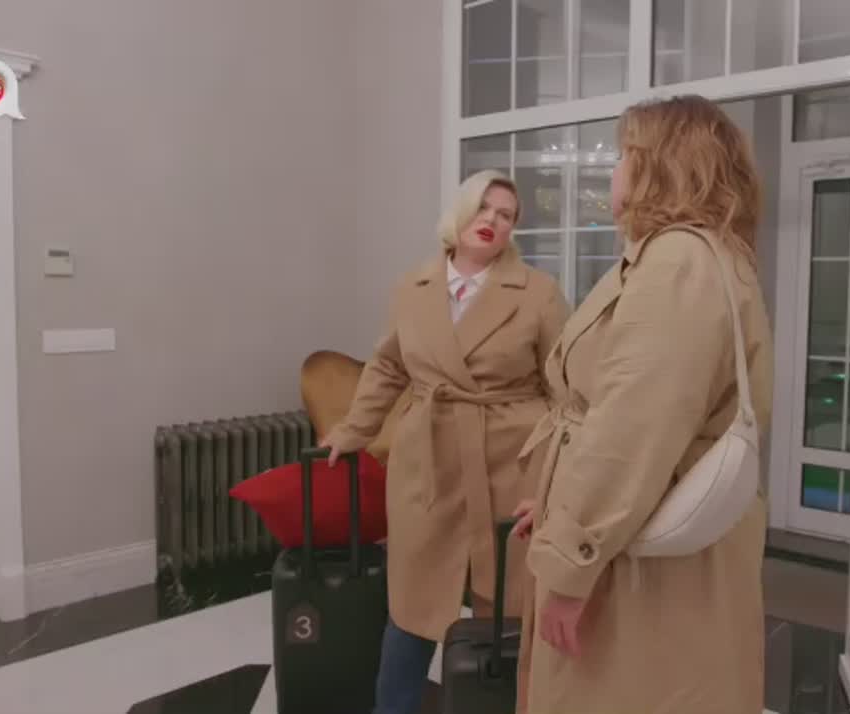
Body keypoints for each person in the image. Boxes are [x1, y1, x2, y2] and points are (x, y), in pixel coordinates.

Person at [511, 95, 774, 714]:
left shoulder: (679, 261)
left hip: (640, 570)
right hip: (638, 536)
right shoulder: (697, 256)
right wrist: (556, 502)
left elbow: (631, 430)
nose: (614, 171)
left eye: (622, 155)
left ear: (658, 165)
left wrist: (570, 564)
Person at [320, 169, 569, 714]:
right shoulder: (414, 288)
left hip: (511, 463)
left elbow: (567, 390)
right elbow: (389, 366)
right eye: (484, 207)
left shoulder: (539, 293)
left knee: (508, 608)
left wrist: (561, 473)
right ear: (460, 211)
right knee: (412, 604)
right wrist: (355, 429)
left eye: (506, 215)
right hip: (427, 462)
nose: (493, 221)